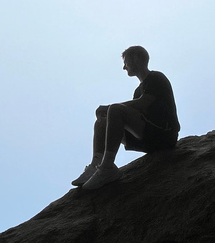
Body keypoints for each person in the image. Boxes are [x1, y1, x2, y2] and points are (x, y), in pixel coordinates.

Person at [72, 46, 180, 190]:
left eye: (126, 61)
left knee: (115, 110)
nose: (124, 67)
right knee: (102, 122)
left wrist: (109, 108)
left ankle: (107, 167)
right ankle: (96, 164)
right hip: (147, 138)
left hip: (163, 135)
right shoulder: (138, 90)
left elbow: (143, 104)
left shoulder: (156, 78)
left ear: (135, 58)